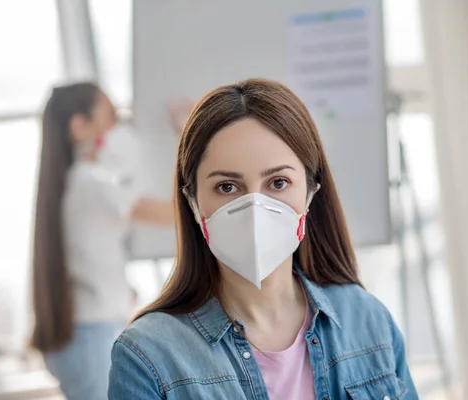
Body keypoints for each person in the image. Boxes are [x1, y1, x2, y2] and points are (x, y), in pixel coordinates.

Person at [108, 78, 418, 399]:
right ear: (193, 202)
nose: (255, 208)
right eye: (227, 187)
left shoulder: (368, 320)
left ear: (310, 192)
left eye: (278, 182)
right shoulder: (148, 356)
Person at [31, 83, 182, 400]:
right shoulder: (91, 184)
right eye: (111, 117)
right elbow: (176, 212)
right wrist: (186, 133)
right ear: (80, 127)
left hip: (82, 336)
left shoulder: (74, 184)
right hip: (89, 339)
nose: (120, 129)